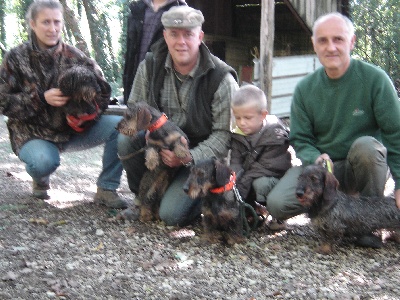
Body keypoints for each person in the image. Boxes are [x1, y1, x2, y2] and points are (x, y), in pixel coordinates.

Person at [266, 12, 400, 247]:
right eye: (323, 40)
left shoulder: (375, 79)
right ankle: (336, 212)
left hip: (362, 165)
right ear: (314, 44)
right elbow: (300, 138)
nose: (331, 47)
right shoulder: (304, 89)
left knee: (366, 147)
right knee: (277, 203)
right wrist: (313, 157)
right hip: (323, 172)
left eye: (338, 39)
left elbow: (395, 133)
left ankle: (370, 224)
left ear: (352, 42)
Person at [118, 6, 239, 226]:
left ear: (200, 37)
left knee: (171, 216)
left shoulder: (222, 78)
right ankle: (142, 199)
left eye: (188, 34)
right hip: (160, 148)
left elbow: (224, 136)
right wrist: (147, 131)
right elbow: (134, 108)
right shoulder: (149, 67)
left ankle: (182, 203)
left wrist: (188, 157)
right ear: (165, 36)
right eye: (174, 34)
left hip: (197, 161)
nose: (180, 42)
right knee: (126, 139)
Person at [0, 0, 127, 209]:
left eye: (57, 22)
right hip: (33, 132)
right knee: (43, 162)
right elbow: (2, 100)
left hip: (71, 131)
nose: (53, 28)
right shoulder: (15, 57)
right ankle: (40, 176)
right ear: (33, 24)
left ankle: (107, 188)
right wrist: (40, 98)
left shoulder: (75, 56)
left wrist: (86, 115)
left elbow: (103, 91)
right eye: (46, 22)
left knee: (122, 126)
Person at [229, 85, 291, 209]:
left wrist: (242, 182)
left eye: (247, 118)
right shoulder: (237, 135)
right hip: (250, 175)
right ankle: (249, 209)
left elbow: (269, 167)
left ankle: (275, 214)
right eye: (238, 118)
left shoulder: (274, 134)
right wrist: (234, 179)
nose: (241, 123)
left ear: (263, 115)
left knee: (261, 184)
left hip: (274, 178)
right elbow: (235, 161)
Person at [122, 0, 187, 104]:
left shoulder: (182, 11)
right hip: (135, 85)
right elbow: (130, 55)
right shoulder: (137, 10)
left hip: (165, 89)